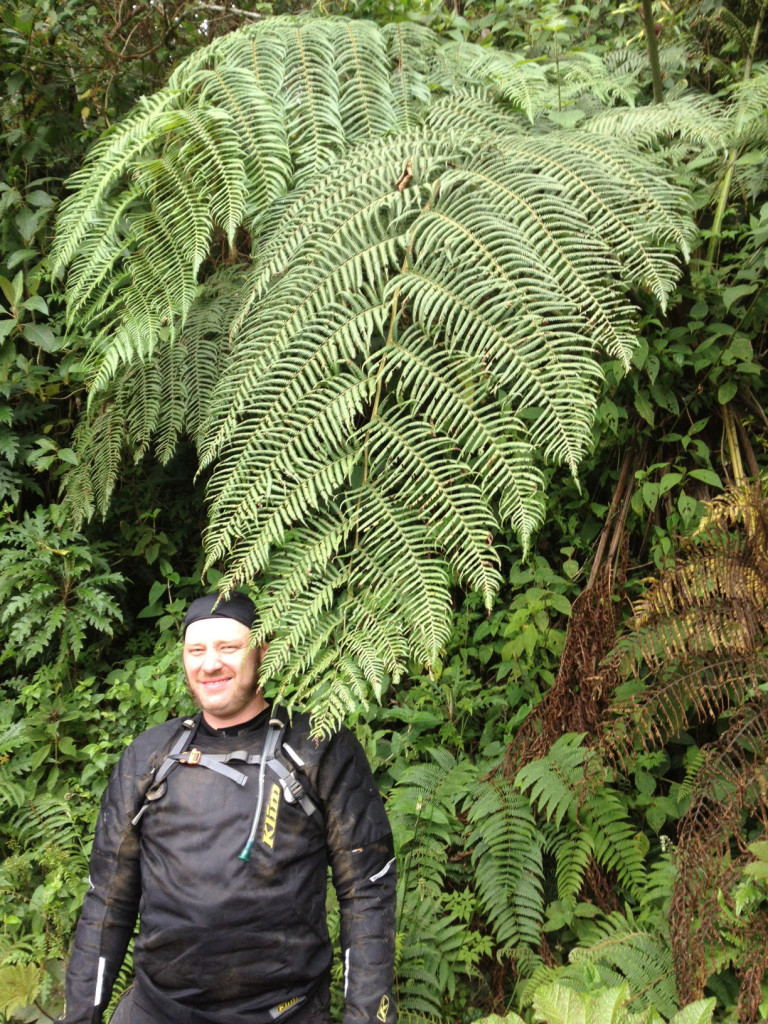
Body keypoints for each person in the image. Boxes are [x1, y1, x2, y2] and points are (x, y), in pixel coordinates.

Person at [57, 593, 397, 1024]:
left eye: (229, 648)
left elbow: (367, 889)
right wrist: (78, 1016)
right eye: (196, 650)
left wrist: (369, 1016)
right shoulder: (150, 756)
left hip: (283, 1012)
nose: (210, 664)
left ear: (264, 652)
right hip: (157, 1009)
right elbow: (106, 899)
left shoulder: (317, 748)